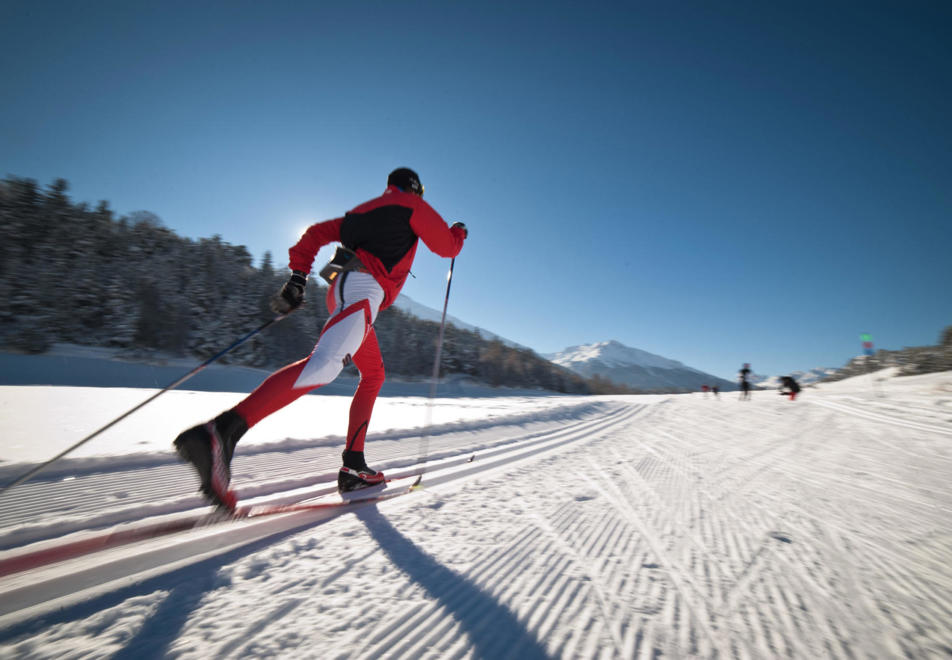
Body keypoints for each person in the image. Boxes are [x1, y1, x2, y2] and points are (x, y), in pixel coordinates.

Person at [173, 168, 468, 509]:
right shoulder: (413, 205)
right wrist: (458, 233)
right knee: (324, 365)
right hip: (363, 288)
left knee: (373, 375)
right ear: (415, 189)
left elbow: (314, 234)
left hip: (345, 289)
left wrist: (298, 279)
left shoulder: (362, 211)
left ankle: (353, 466)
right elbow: (446, 248)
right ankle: (220, 433)